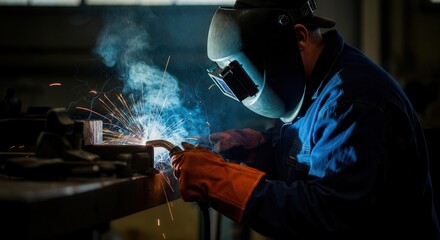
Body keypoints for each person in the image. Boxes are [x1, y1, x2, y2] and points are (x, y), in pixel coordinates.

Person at [170, 0, 440, 239]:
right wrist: (263, 149)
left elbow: (328, 219)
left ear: (298, 37)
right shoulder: (311, 88)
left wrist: (221, 181)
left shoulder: (351, 100)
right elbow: (316, 155)